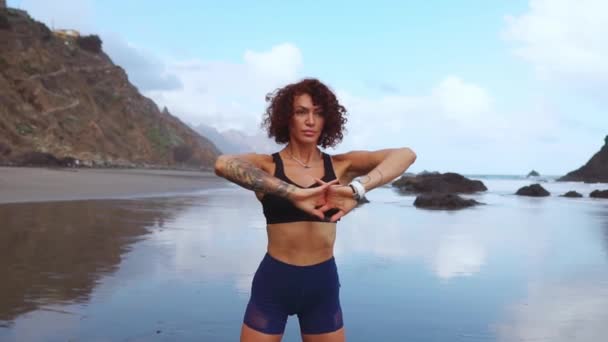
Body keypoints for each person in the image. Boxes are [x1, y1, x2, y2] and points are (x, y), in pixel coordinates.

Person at [214, 78, 417, 342]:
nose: (310, 120)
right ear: (287, 117)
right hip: (274, 285)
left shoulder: (341, 166)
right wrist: (293, 193)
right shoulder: (267, 166)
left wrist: (357, 189)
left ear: (327, 120)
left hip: (322, 287)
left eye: (318, 113)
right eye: (301, 111)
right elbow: (223, 164)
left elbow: (406, 154)